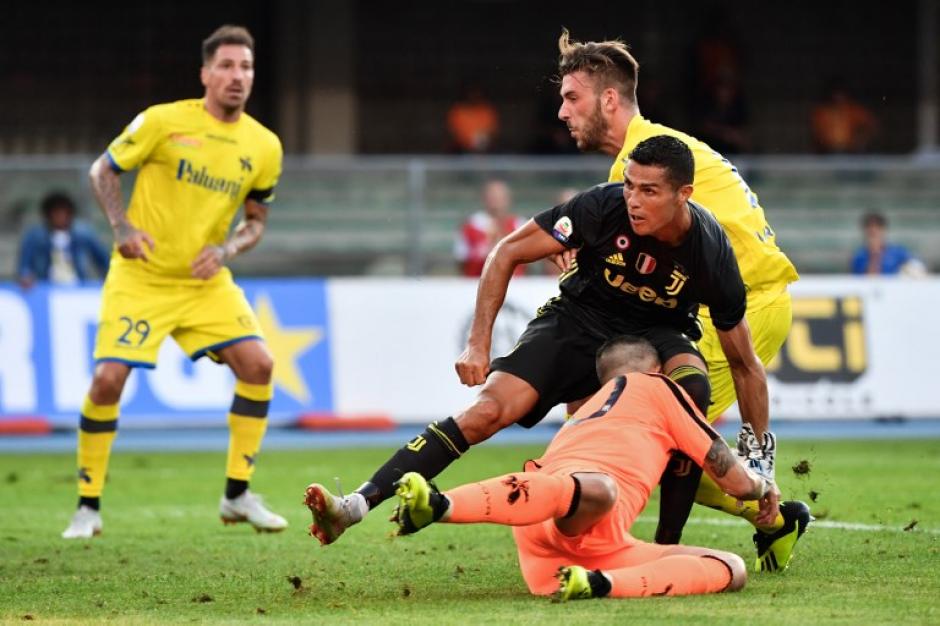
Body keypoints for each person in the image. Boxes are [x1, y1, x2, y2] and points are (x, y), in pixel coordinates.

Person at [305, 136, 808, 572]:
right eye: (630, 184)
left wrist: (759, 452)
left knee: (691, 390)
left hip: (658, 333)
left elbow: (745, 364)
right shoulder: (601, 207)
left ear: (684, 195)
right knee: (485, 413)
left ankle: (662, 550)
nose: (633, 199)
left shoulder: (712, 255)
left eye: (649, 191)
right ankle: (355, 504)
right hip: (577, 321)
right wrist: (478, 341)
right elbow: (506, 253)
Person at [554, 30, 805, 568]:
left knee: (669, 437)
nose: (561, 112)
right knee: (647, 428)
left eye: (572, 98)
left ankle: (746, 520)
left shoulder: (646, 166)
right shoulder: (652, 154)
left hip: (744, 306)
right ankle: (767, 514)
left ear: (610, 100)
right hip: (730, 305)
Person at [61, 25, 286, 539]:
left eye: (246, 67)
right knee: (108, 381)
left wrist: (227, 248)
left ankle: (237, 496)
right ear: (205, 73)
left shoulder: (264, 146)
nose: (237, 76)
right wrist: (121, 227)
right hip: (141, 278)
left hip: (205, 283)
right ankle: (87, 506)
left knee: (259, 364)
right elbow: (103, 170)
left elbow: (256, 222)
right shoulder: (163, 121)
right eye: (226, 66)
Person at [391, 336, 804, 600]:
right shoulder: (659, 389)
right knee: (600, 491)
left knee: (729, 567)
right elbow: (728, 474)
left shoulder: (581, 413)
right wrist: (761, 486)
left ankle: (598, 584)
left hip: (546, 543)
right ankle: (440, 506)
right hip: (584, 506)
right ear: (657, 371)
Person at [16, 191, 110, 289]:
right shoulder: (35, 237)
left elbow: (104, 260)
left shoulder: (84, 234)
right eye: (56, 213)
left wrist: (107, 277)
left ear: (70, 213)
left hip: (78, 289)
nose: (60, 217)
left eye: (64, 212)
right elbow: (24, 265)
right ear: (48, 215)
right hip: (46, 288)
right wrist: (26, 276)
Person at [455, 179, 524, 277]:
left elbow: (527, 262)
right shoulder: (470, 226)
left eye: (500, 197)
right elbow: (461, 260)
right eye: (492, 196)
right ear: (484, 198)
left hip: (514, 285)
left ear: (508, 199)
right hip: (476, 284)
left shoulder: (520, 225)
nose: (496, 201)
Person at [811, 79, 877, 154]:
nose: (838, 97)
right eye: (835, 94)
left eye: (841, 94)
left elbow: (872, 126)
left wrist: (861, 140)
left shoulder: (854, 110)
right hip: (827, 154)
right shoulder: (822, 113)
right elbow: (817, 134)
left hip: (852, 154)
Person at [851, 212, 924, 276]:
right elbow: (866, 280)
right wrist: (874, 255)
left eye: (877, 227)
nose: (873, 230)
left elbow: (917, 266)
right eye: (870, 227)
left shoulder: (898, 252)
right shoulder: (859, 256)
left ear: (883, 230)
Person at [446, 85, 500, 153]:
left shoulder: (487, 110)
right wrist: (469, 143)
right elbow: (454, 132)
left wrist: (483, 141)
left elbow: (493, 130)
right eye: (472, 93)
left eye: (477, 93)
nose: (474, 96)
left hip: (486, 147)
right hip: (462, 148)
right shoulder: (458, 110)